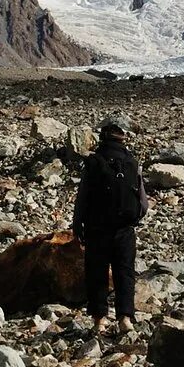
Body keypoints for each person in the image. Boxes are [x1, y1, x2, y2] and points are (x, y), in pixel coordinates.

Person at [72, 114, 148, 337]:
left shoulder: (94, 162)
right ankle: (125, 318)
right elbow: (142, 200)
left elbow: (83, 196)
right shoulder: (131, 162)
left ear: (102, 139)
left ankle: (100, 320)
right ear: (123, 139)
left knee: (97, 273)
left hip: (97, 228)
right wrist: (134, 218)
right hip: (125, 228)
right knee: (125, 272)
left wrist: (78, 225)